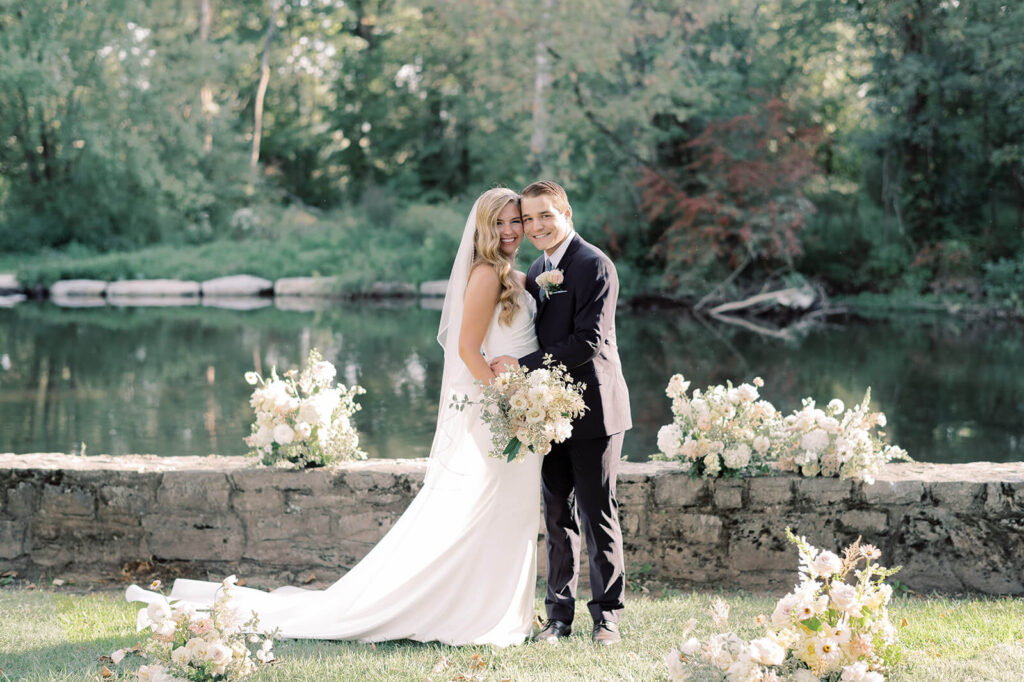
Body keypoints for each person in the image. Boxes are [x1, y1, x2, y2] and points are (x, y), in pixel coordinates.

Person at [127, 188, 544, 647]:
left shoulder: (515, 276)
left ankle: (495, 607)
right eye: (499, 223)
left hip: (517, 410)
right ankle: (477, 613)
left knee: (506, 513)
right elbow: (467, 350)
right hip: (501, 414)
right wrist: (507, 404)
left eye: (515, 222)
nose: (508, 231)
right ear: (484, 228)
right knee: (501, 510)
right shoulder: (486, 274)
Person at [489, 180, 631, 646]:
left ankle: (606, 617)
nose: (535, 226)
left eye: (544, 215)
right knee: (555, 516)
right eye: (528, 219)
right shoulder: (536, 266)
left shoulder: (595, 265)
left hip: (594, 411)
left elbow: (588, 342)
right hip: (546, 415)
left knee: (597, 514)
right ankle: (558, 618)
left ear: (566, 212)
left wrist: (521, 367)